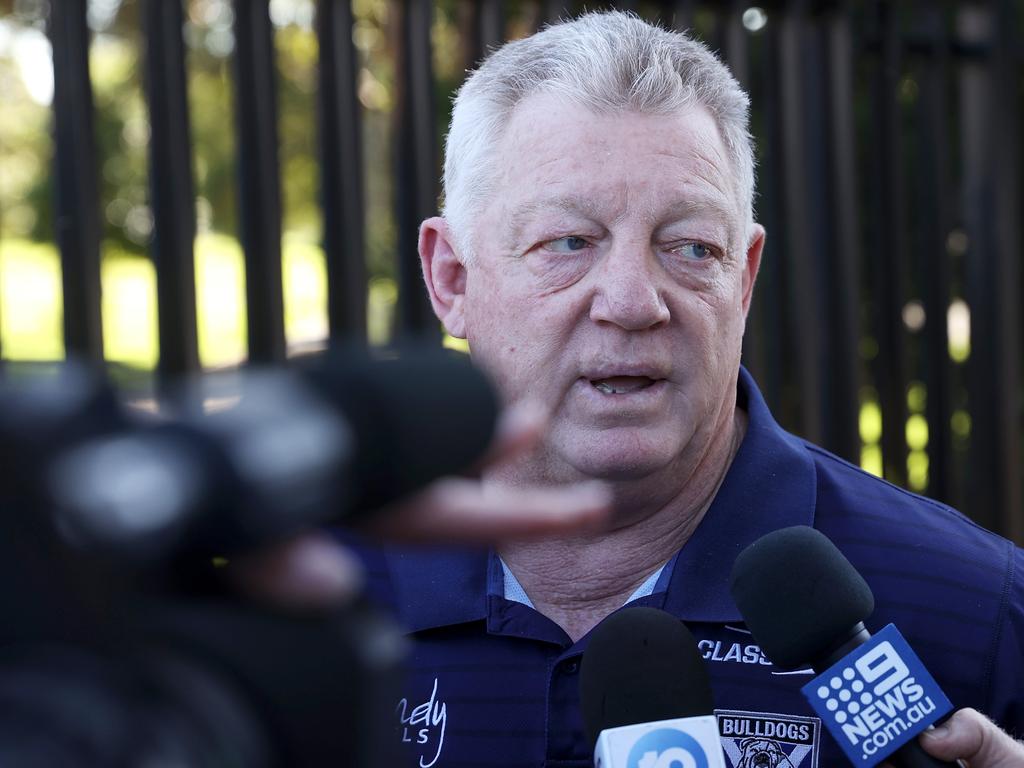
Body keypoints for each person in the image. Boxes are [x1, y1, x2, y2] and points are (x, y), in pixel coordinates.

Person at [354, 11, 1023, 768]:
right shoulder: (311, 605)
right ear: (452, 277)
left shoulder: (976, 615)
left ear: (743, 278)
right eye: (569, 242)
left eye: (691, 247)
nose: (635, 301)